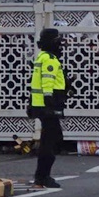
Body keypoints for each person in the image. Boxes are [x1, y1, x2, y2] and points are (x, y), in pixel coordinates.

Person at [28, 28, 68, 188]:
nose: (60, 44)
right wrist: (50, 98)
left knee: (51, 138)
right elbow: (48, 80)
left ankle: (42, 175)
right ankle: (43, 176)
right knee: (50, 141)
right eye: (58, 41)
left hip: (41, 105)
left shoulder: (42, 57)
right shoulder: (50, 59)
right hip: (48, 106)